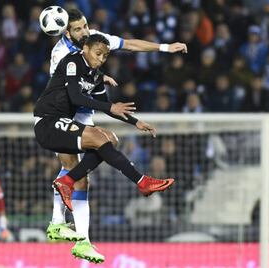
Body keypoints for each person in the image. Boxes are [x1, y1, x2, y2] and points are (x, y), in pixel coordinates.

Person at [45, 8, 186, 263]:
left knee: (82, 178)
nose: (84, 31)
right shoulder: (60, 55)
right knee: (71, 165)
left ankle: (83, 242)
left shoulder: (94, 39)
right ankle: (57, 221)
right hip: (64, 114)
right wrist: (98, 77)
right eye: (78, 29)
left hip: (85, 113)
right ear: (66, 32)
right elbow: (71, 90)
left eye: (85, 26)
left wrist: (165, 48)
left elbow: (129, 44)